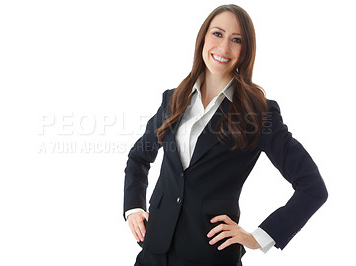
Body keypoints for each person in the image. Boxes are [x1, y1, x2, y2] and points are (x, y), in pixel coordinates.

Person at [123, 4, 328, 266]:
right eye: (217, 34)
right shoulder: (174, 99)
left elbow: (312, 187)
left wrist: (259, 237)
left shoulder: (259, 113)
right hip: (154, 250)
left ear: (246, 50)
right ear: (203, 38)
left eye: (236, 40)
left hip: (209, 254)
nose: (223, 48)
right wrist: (133, 207)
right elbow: (139, 157)